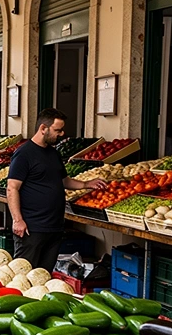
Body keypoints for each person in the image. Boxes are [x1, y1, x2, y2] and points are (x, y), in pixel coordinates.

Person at [8, 109, 108, 271]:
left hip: (54, 227)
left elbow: (64, 181)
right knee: (24, 273)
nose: (62, 134)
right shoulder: (24, 154)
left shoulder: (53, 153)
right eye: (58, 130)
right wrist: (17, 220)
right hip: (32, 228)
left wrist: (87, 184)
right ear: (43, 128)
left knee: (45, 274)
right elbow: (12, 188)